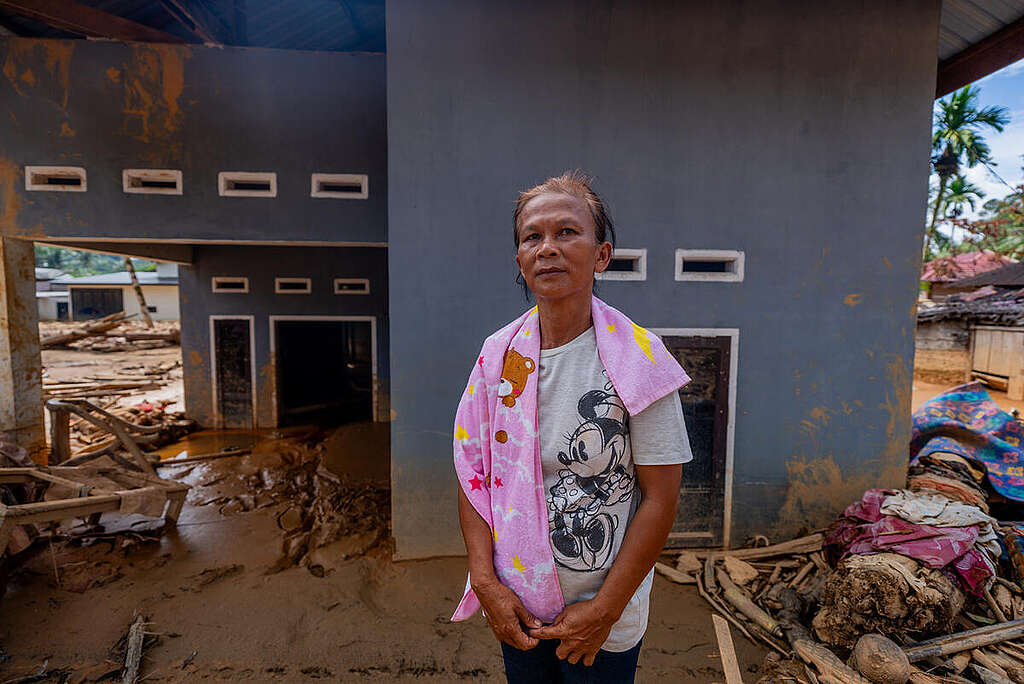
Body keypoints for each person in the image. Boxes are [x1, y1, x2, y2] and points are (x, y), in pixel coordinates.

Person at [451, 170, 694, 683]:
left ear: (601, 254)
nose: (547, 248)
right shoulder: (497, 359)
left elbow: (660, 497)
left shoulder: (639, 361)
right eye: (532, 236)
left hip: (604, 616)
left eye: (566, 232)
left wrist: (605, 609)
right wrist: (485, 582)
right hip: (518, 606)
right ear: (518, 258)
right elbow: (473, 474)